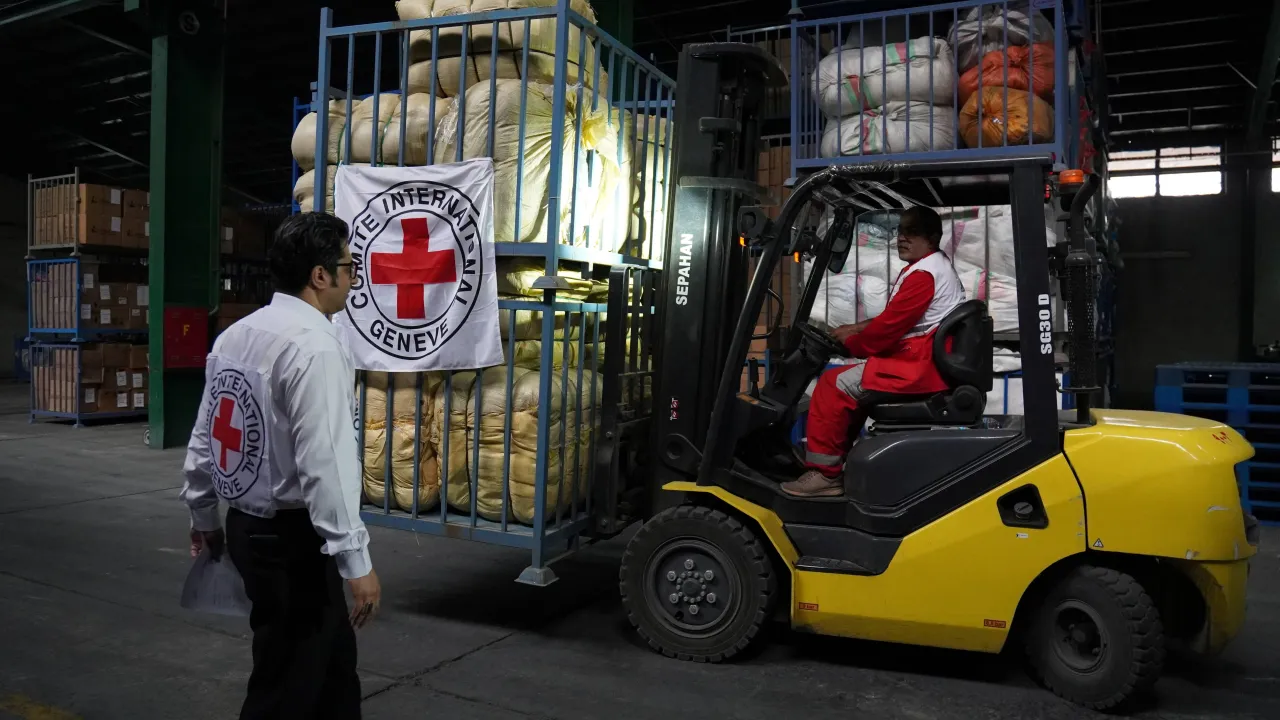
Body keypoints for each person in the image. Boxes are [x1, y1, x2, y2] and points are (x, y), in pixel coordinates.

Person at [180, 212, 379, 719]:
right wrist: (355, 562)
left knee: (333, 669)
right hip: (295, 545)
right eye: (349, 267)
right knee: (284, 684)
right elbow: (325, 466)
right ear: (319, 275)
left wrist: (206, 520)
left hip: (249, 529)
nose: (353, 277)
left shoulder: (237, 336)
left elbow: (205, 440)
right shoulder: (313, 348)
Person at [782, 206, 965, 498]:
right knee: (848, 386)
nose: (902, 238)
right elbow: (895, 318)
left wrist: (852, 344)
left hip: (918, 366)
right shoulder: (931, 266)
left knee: (832, 385)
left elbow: (887, 331)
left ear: (932, 237)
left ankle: (825, 475)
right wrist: (854, 328)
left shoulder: (924, 275)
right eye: (900, 231)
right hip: (920, 357)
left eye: (912, 232)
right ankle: (838, 463)